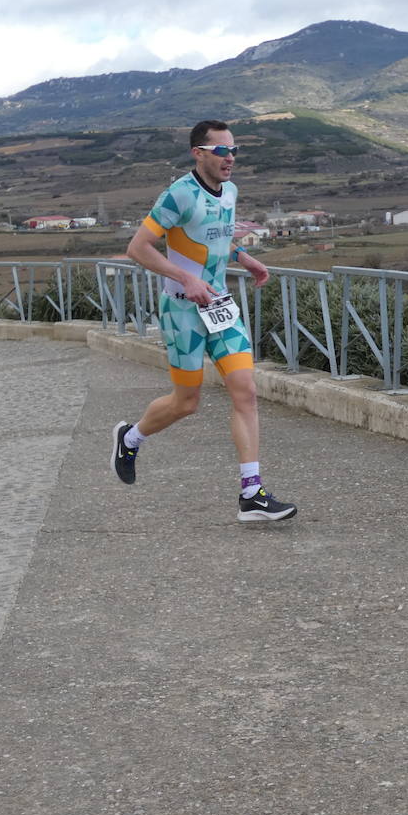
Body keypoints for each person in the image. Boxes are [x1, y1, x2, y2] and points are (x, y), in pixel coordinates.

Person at [110, 120, 297, 522]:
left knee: (245, 389)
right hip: (182, 311)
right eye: (221, 151)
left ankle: (252, 494)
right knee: (186, 403)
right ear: (199, 153)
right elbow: (138, 248)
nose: (230, 159)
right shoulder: (178, 195)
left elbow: (216, 238)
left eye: (234, 151)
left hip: (220, 306)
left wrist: (244, 258)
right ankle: (130, 437)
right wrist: (185, 278)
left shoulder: (229, 192)